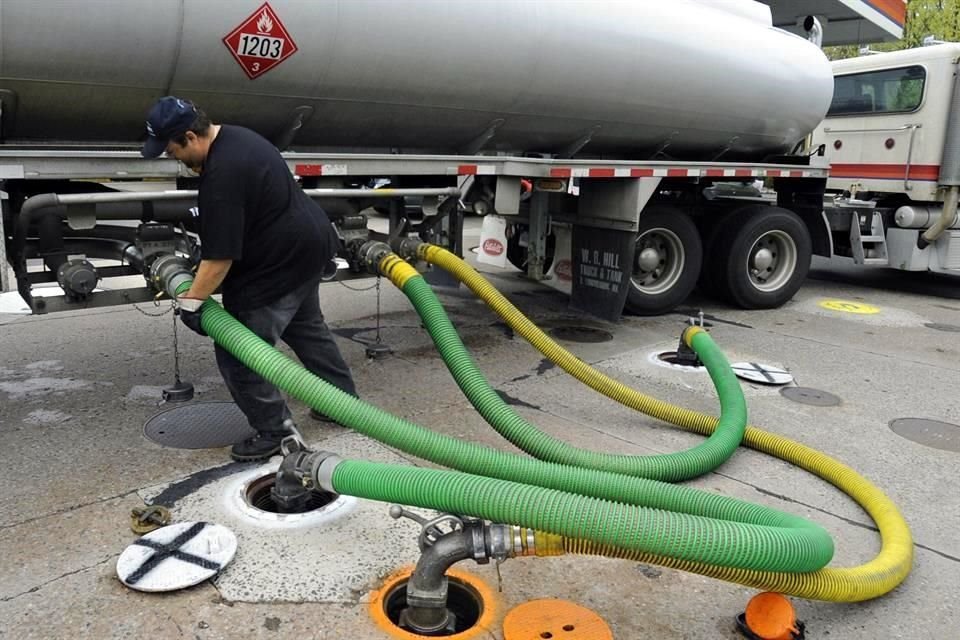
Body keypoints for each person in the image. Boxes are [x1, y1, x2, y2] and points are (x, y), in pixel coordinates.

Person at [141, 96, 357, 461]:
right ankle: (342, 403)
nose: (171, 157)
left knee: (240, 352)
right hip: (308, 246)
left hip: (277, 263)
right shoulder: (239, 136)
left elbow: (219, 260)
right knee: (306, 328)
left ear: (191, 137)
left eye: (171, 149)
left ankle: (275, 432)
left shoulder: (221, 175)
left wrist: (192, 302)